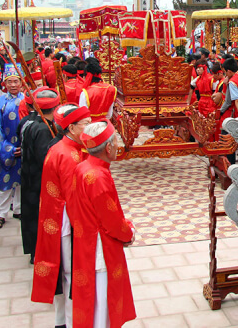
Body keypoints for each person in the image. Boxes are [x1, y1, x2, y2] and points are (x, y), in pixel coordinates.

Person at [70, 120, 137, 328]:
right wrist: (129, 232)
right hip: (100, 248)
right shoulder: (98, 177)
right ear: (108, 148)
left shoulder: (83, 167)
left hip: (85, 241)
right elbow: (112, 221)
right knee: (101, 306)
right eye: (116, 140)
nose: (118, 145)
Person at [32, 104, 92, 327]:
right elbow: (73, 196)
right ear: (72, 127)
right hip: (66, 220)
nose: (89, 127)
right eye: (86, 124)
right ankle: (70, 321)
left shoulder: (68, 147)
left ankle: (61, 320)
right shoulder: (67, 154)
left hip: (59, 217)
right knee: (69, 273)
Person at [20, 89, 61, 262]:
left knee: (31, 215)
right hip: (38, 179)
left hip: (28, 176)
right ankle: (38, 251)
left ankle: (34, 250)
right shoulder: (43, 130)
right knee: (38, 216)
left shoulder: (27, 122)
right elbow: (46, 159)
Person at [0, 65, 25, 229]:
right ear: (5, 83)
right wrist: (8, 149)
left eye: (16, 81)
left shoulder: (26, 100)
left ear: (21, 82)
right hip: (7, 148)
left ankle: (18, 209)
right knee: (5, 181)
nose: (13, 85)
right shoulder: (0, 102)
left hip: (23, 146)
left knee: (21, 180)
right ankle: (0, 213)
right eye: (9, 82)